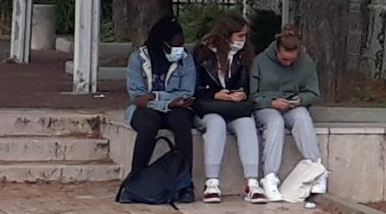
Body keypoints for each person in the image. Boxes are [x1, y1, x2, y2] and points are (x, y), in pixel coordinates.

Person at [124, 16, 197, 202]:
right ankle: (135, 180)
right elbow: (137, 97)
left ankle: (185, 184)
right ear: (161, 43)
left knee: (181, 122)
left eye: (182, 45)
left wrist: (155, 97)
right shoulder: (138, 59)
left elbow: (187, 92)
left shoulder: (186, 60)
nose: (179, 49)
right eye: (175, 45)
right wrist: (166, 102)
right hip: (147, 110)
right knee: (148, 124)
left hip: (177, 108)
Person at [193, 15, 264, 204]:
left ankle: (252, 183)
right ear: (227, 35)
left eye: (245, 36)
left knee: (246, 123)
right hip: (209, 108)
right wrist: (214, 94)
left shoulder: (244, 55)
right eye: (239, 36)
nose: (243, 40)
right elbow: (193, 88)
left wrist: (242, 93)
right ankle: (212, 182)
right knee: (216, 124)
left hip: (234, 107)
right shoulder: (202, 54)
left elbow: (248, 85)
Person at [252, 26, 326, 202]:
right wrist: (270, 102)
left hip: (293, 105)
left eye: (293, 60)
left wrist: (299, 100)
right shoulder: (261, 61)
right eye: (284, 59)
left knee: (302, 117)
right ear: (277, 51)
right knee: (275, 123)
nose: (288, 63)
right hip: (267, 106)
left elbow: (313, 92)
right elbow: (252, 95)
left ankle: (317, 169)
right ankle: (270, 176)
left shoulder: (306, 62)